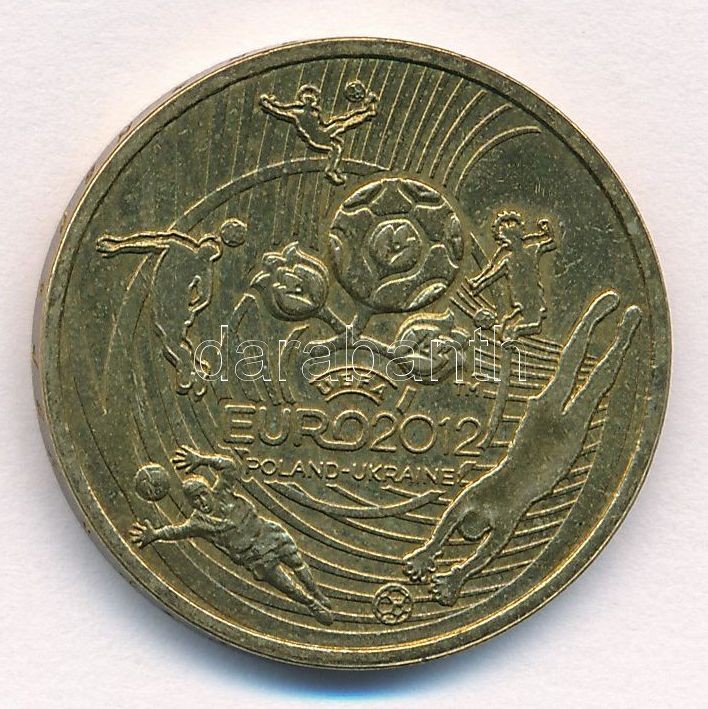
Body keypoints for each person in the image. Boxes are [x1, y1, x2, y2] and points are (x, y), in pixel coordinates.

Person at [129, 445, 333, 625]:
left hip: (269, 534)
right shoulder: (198, 522)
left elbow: (230, 466)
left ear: (208, 490)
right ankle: (311, 604)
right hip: (255, 556)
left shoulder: (223, 492)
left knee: (297, 564)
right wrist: (154, 535)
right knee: (286, 585)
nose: (201, 502)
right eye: (195, 500)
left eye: (202, 494)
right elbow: (176, 531)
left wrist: (201, 459)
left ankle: (317, 593)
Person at [96, 219, 246, 398]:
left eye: (211, 256)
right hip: (167, 305)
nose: (208, 256)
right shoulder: (182, 249)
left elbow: (204, 297)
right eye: (209, 252)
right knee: (172, 341)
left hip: (174, 308)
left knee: (171, 343)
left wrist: (190, 310)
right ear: (201, 245)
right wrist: (119, 246)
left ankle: (188, 370)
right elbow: (150, 241)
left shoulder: (198, 263)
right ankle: (198, 370)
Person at [259, 83, 378, 185]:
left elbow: (323, 124)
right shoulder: (297, 112)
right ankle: (367, 112)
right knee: (341, 125)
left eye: (312, 98)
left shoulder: (314, 112)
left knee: (339, 136)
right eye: (308, 98)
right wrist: (268, 104)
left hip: (323, 131)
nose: (310, 100)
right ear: (303, 99)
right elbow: (281, 110)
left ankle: (366, 111)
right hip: (316, 137)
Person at [470, 211, 556, 340]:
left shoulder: (531, 249)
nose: (506, 242)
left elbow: (550, 241)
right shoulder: (510, 258)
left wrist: (546, 230)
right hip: (522, 296)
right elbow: (492, 274)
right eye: (505, 239)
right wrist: (478, 283)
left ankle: (511, 330)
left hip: (532, 293)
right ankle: (512, 332)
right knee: (531, 322)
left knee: (533, 321)